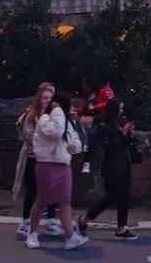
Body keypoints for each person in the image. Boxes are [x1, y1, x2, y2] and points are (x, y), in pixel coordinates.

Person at [25, 92, 87, 250]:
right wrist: (58, 111)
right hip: (47, 164)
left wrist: (75, 147)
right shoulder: (45, 119)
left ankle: (70, 237)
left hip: (63, 164)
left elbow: (75, 140)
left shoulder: (67, 122)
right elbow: (55, 133)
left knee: (65, 201)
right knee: (42, 200)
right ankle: (32, 234)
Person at [77, 98, 138, 240]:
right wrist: (121, 133)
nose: (122, 112)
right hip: (112, 166)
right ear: (114, 110)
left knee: (124, 197)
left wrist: (129, 134)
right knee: (111, 197)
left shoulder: (118, 124)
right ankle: (83, 219)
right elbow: (108, 147)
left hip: (124, 163)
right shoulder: (103, 126)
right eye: (120, 109)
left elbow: (125, 144)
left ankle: (121, 229)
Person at [13, 83, 61, 237]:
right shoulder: (32, 114)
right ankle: (25, 223)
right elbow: (29, 136)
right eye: (45, 97)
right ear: (39, 98)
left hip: (49, 158)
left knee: (53, 188)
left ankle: (52, 221)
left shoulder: (54, 114)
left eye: (50, 97)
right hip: (33, 157)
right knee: (32, 191)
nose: (47, 100)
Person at [79, 75, 115, 174]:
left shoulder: (103, 92)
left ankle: (87, 161)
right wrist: (77, 111)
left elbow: (110, 103)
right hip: (91, 118)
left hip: (101, 119)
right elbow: (84, 108)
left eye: (85, 84)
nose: (83, 87)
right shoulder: (86, 95)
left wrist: (95, 107)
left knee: (92, 134)